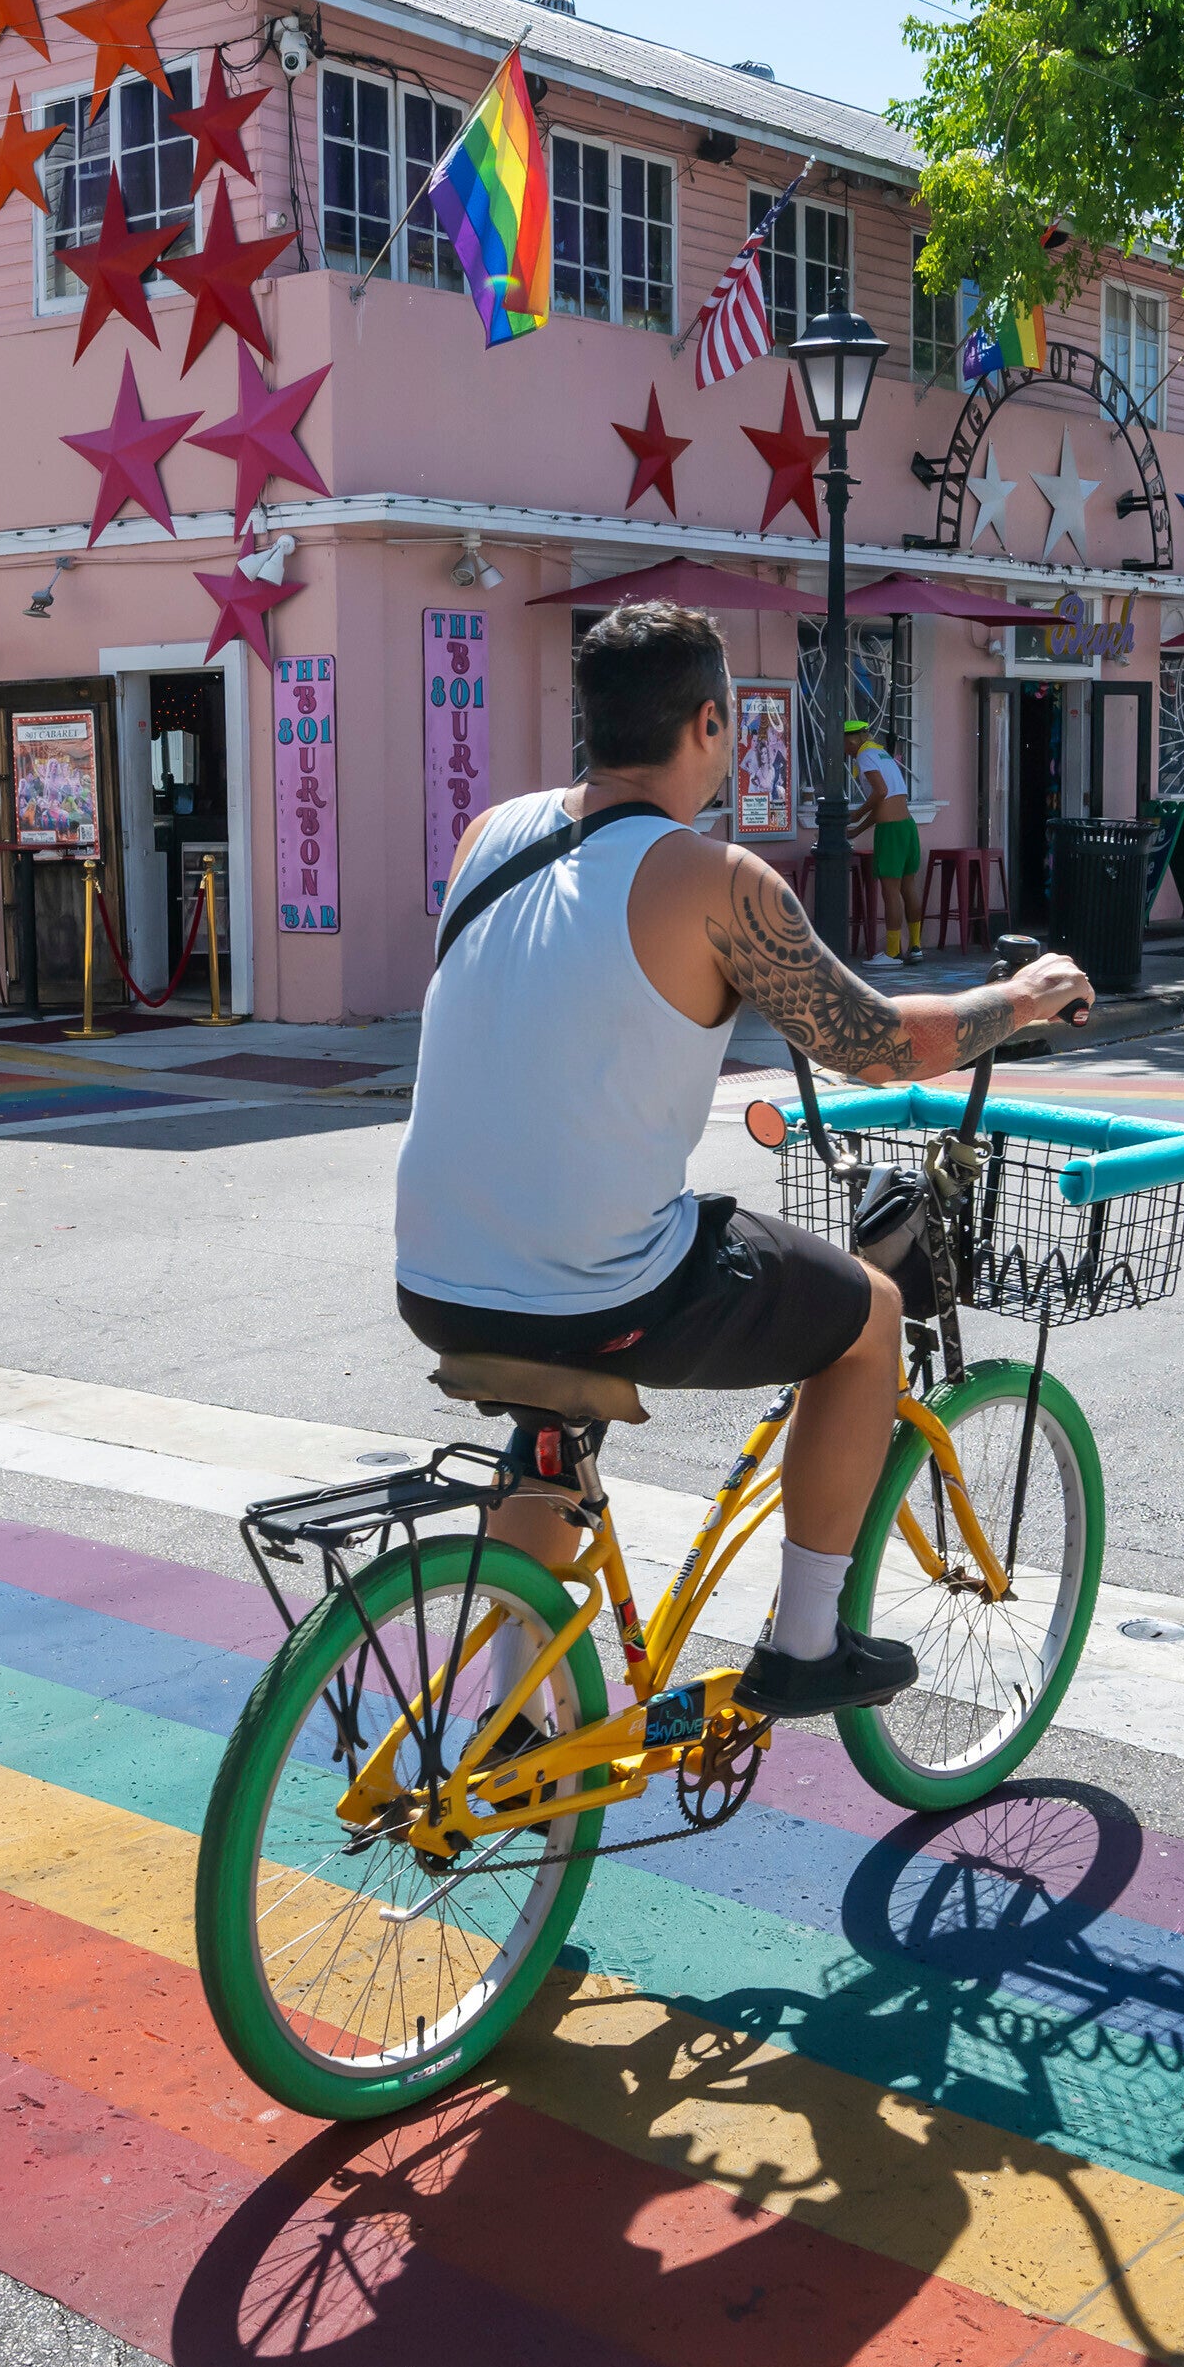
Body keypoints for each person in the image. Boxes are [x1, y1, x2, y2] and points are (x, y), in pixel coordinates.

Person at [393, 602, 1093, 1719]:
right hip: (605, 1287)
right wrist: (1018, 998)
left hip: (435, 1279)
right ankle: (808, 1643)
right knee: (866, 1317)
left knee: (549, 1433)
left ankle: (509, 1714)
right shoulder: (720, 883)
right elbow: (879, 1043)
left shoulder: (490, 836)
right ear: (713, 722)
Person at [849, 714, 923, 963]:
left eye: (845, 743)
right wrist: (858, 829)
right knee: (908, 888)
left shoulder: (865, 755)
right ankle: (915, 946)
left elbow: (880, 792)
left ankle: (892, 953)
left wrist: (856, 814)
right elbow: (887, 803)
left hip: (890, 832)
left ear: (854, 739)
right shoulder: (881, 753)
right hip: (907, 826)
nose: (845, 750)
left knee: (890, 892)